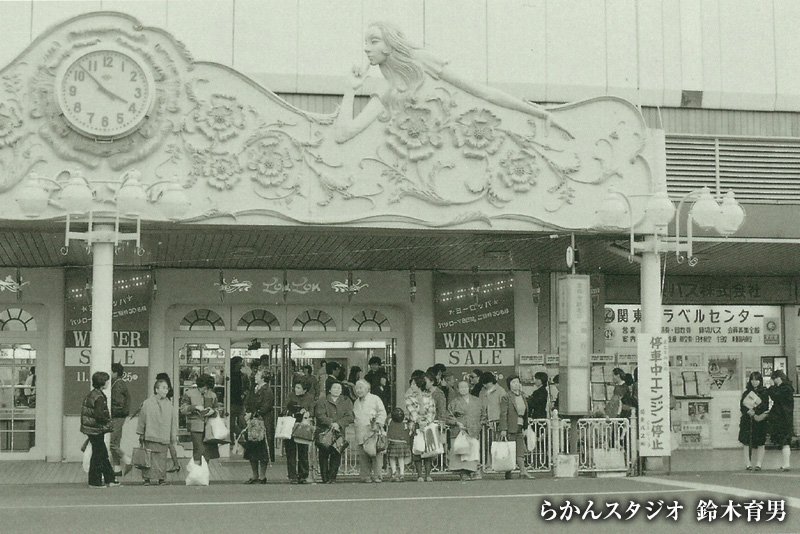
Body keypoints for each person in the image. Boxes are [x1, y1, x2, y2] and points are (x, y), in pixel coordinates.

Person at [335, 21, 567, 144]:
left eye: (373, 41)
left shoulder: (422, 62)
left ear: (390, 44)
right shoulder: (386, 90)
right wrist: (350, 90)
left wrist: (541, 114)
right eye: (366, 42)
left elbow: (483, 93)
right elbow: (343, 134)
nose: (366, 48)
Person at [80, 371, 120, 488]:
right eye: (107, 380)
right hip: (96, 429)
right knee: (99, 455)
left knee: (101, 454)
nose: (108, 382)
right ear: (102, 382)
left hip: (91, 429)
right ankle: (95, 481)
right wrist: (108, 422)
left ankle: (110, 479)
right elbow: (99, 415)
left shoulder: (91, 394)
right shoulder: (99, 397)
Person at [136, 378, 178, 486]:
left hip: (164, 435)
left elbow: (173, 421)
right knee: (148, 457)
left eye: (167, 388)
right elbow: (142, 419)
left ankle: (161, 478)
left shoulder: (169, 404)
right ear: (156, 389)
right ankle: (147, 479)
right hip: (150, 434)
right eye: (163, 388)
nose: (165, 390)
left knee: (162, 458)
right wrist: (141, 433)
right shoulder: (147, 403)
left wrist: (173, 436)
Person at [315, 380, 354, 483]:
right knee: (324, 453)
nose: (337, 390)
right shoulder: (322, 401)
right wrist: (331, 423)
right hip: (325, 431)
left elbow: (350, 416)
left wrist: (339, 424)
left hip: (339, 431)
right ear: (329, 389)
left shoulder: (346, 401)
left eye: (339, 388)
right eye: (334, 388)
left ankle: (332, 477)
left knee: (336, 453)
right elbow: (320, 415)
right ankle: (324, 477)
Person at [179, 374, 221, 466]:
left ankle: (203, 472)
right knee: (199, 449)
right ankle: (198, 471)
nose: (206, 391)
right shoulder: (189, 393)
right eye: (204, 388)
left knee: (207, 451)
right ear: (200, 385)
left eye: (208, 388)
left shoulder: (213, 395)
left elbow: (217, 410)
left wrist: (213, 412)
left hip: (209, 426)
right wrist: (194, 407)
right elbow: (182, 409)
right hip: (195, 425)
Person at [499, 375, 533, 479]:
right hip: (510, 426)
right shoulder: (506, 397)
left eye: (517, 382)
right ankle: (508, 471)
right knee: (509, 449)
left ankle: (523, 471)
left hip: (520, 424)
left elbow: (525, 412)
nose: (516, 384)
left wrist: (526, 426)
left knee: (520, 449)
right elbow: (503, 413)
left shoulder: (522, 395)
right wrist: (503, 429)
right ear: (509, 384)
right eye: (513, 382)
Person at [353, 379, 387, 483]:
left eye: (361, 388)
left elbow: (382, 412)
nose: (358, 390)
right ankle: (365, 476)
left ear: (367, 389)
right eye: (357, 388)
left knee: (375, 454)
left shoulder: (375, 398)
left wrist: (378, 424)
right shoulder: (356, 402)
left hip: (373, 431)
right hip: (360, 431)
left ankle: (378, 476)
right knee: (363, 454)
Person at [283, 376, 316, 484]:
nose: (296, 390)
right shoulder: (290, 395)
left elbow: (312, 411)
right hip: (290, 424)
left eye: (299, 388)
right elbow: (284, 408)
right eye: (295, 387)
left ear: (305, 389)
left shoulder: (310, 397)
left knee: (303, 450)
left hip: (303, 425)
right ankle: (292, 475)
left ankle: (303, 475)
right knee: (290, 451)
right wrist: (294, 410)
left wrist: (307, 413)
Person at [242, 369, 273, 484]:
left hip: (263, 422)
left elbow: (266, 406)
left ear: (264, 377)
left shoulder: (267, 390)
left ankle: (262, 476)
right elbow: (248, 402)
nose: (255, 376)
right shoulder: (254, 388)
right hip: (253, 422)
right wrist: (247, 413)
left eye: (258, 375)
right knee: (252, 448)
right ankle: (255, 475)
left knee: (262, 449)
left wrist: (253, 414)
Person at [447, 380, 482, 481]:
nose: (463, 389)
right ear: (457, 389)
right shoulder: (454, 402)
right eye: (461, 387)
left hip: (473, 429)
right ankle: (463, 472)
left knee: (473, 451)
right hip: (459, 430)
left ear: (469, 388)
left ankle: (473, 471)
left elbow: (483, 414)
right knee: (461, 452)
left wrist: (479, 423)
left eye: (465, 387)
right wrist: (456, 422)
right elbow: (448, 415)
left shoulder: (477, 401)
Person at [405, 375, 436, 482]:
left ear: (419, 385)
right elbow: (412, 412)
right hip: (415, 426)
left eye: (414, 384)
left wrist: (425, 422)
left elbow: (432, 412)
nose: (412, 386)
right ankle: (419, 475)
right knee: (416, 450)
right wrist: (419, 421)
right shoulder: (409, 398)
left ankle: (428, 474)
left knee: (428, 450)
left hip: (427, 426)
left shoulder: (429, 397)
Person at [738, 371, 769, 471]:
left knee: (760, 442)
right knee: (746, 441)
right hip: (747, 420)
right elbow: (742, 406)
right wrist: (749, 412)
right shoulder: (746, 392)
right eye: (752, 380)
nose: (754, 382)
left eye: (756, 380)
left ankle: (759, 464)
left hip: (759, 420)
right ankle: (748, 464)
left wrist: (756, 413)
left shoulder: (764, 392)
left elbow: (765, 406)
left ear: (760, 381)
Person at [766, 370, 794, 471]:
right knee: (784, 441)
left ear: (778, 378)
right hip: (784, 418)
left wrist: (772, 386)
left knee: (785, 441)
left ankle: (786, 464)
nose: (773, 381)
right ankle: (786, 464)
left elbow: (775, 396)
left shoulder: (785, 388)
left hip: (783, 418)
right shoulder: (787, 387)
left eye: (774, 379)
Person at [109, 362, 130, 478]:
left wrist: (109, 410)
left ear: (115, 372)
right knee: (116, 442)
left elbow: (118, 403)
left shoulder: (117, 385)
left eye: (111, 371)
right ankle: (117, 468)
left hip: (117, 416)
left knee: (111, 443)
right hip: (120, 416)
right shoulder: (120, 383)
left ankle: (127, 460)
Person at [385, 407, 412, 482]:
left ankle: (394, 473)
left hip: (393, 443)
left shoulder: (390, 422)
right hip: (402, 443)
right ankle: (402, 473)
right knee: (401, 458)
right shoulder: (404, 424)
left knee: (392, 458)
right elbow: (408, 433)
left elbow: (387, 422)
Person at [229, 356, 249, 443]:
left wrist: (244, 394)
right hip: (232, 401)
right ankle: (233, 439)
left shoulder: (243, 375)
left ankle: (244, 436)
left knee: (242, 422)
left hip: (240, 402)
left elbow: (247, 387)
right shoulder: (230, 374)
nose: (241, 364)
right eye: (240, 362)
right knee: (231, 423)